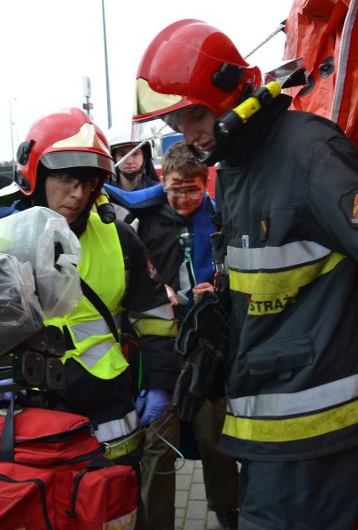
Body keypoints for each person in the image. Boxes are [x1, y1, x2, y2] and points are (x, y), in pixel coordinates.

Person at [132, 18, 358, 529]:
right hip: (269, 432)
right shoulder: (236, 168)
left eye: (193, 114)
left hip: (318, 429)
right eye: (175, 125)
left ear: (236, 87)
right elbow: (272, 285)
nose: (187, 134)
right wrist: (220, 341)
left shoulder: (308, 152)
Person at [0, 107, 178, 528]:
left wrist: (161, 384)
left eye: (88, 182)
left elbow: (156, 316)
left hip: (109, 405)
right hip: (27, 403)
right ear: (36, 175)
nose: (76, 193)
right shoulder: (2, 239)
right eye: (66, 179)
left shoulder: (120, 237)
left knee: (119, 512)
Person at [105, 140, 240, 529]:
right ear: (164, 183)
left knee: (215, 436)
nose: (183, 197)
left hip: (205, 342)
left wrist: (217, 289)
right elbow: (130, 276)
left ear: (206, 183)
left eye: (192, 189)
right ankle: (156, 522)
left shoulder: (216, 218)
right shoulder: (142, 219)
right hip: (158, 347)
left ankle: (227, 510)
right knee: (157, 446)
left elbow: (230, 267)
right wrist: (161, 291)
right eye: (176, 188)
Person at [106, 124, 160, 192]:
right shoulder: (102, 194)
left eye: (134, 153)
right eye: (123, 155)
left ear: (145, 156)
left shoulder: (159, 193)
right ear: (114, 158)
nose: (129, 161)